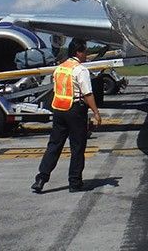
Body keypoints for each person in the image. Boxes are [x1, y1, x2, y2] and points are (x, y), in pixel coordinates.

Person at [32, 38, 101, 193]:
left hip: (59, 109)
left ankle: (41, 178)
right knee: (77, 147)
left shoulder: (60, 68)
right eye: (85, 51)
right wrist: (96, 112)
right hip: (75, 110)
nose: (86, 55)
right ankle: (75, 183)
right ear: (78, 52)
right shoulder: (80, 70)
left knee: (54, 145)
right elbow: (87, 94)